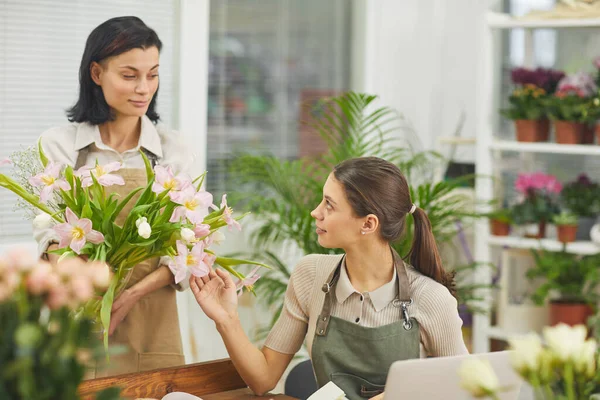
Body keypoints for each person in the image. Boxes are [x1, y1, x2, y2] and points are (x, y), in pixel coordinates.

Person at [189, 156, 468, 400]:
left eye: (329, 205)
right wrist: (227, 320)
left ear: (368, 224)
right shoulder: (310, 276)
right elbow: (263, 380)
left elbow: (464, 388)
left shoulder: (430, 298)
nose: (315, 212)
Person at [33, 16, 192, 377]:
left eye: (152, 74)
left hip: (152, 319)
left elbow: (186, 248)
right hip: (81, 313)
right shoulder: (59, 146)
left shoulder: (172, 149)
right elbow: (50, 235)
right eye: (129, 75)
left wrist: (127, 297)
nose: (144, 88)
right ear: (96, 73)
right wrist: (97, 296)